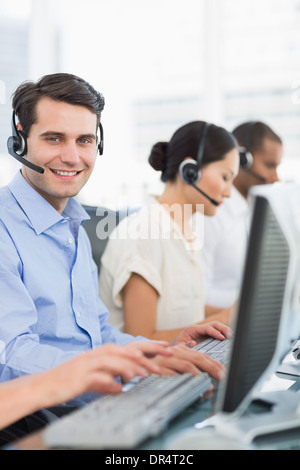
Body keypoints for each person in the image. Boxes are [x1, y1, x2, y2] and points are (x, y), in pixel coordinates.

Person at [0, 73, 229, 419]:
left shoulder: (73, 225)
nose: (72, 156)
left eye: (85, 140)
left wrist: (161, 350)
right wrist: (112, 366)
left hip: (98, 406)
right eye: (54, 138)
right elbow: (13, 354)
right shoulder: (5, 228)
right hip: (36, 419)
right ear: (20, 141)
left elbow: (99, 334)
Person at [99, 121, 240, 342]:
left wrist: (234, 313)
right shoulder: (145, 233)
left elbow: (186, 308)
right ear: (189, 170)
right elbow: (141, 338)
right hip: (144, 374)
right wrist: (223, 318)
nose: (229, 192)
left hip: (182, 364)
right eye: (225, 177)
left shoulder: (187, 231)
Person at [202, 121, 283, 308]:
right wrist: (256, 302)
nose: (276, 177)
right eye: (270, 165)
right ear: (241, 159)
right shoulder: (211, 214)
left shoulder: (256, 211)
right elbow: (197, 297)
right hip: (218, 325)